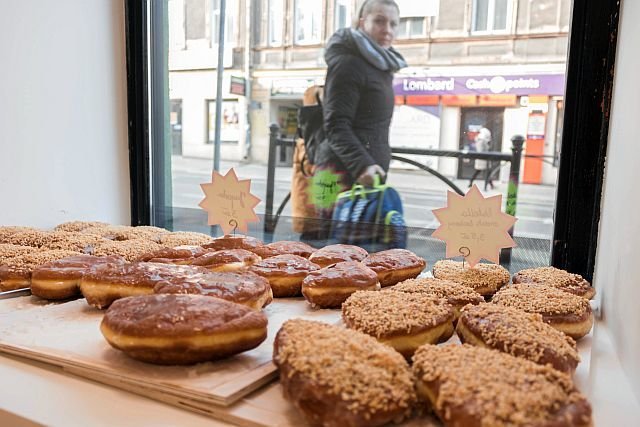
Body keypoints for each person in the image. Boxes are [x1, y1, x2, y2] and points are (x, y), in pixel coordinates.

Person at [314, 0, 406, 194]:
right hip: (341, 176)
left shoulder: (380, 64)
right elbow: (335, 124)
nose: (387, 30)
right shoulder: (348, 63)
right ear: (363, 23)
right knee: (329, 225)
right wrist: (362, 165)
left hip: (365, 175)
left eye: (393, 24)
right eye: (379, 21)